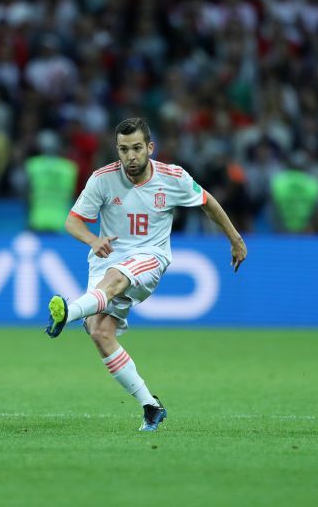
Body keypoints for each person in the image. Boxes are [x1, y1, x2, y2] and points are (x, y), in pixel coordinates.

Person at [45, 118, 247, 431]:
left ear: (150, 148)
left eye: (137, 148)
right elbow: (73, 222)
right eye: (124, 149)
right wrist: (93, 240)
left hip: (150, 257)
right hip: (107, 257)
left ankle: (67, 313)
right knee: (100, 332)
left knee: (115, 280)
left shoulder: (173, 177)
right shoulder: (102, 179)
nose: (131, 156)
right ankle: (151, 406)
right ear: (117, 150)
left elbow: (207, 202)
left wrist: (234, 238)